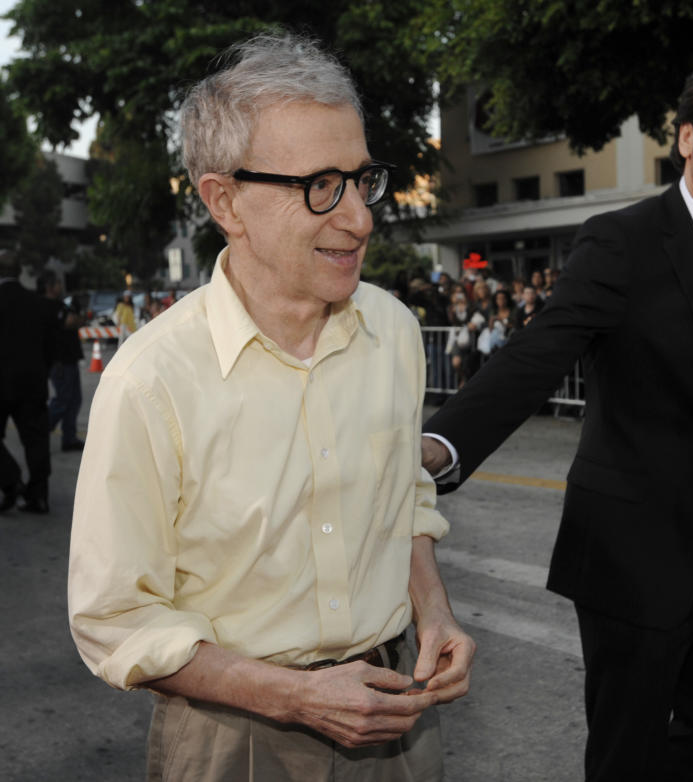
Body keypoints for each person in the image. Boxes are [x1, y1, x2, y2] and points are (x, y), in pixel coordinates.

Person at [67, 33, 473, 781]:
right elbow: (115, 619)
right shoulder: (151, 381)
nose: (359, 219)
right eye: (321, 185)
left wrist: (434, 611)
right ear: (225, 200)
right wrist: (295, 697)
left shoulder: (394, 334)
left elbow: (404, 502)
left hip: (397, 720)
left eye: (362, 179)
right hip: (235, 739)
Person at [422, 45, 693, 780]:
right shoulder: (622, 243)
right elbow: (537, 355)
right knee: (627, 760)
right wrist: (439, 447)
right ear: (687, 136)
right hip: (632, 559)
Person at [0, 251, 56, 514]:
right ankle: (39, 494)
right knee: (36, 439)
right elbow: (50, 347)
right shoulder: (37, 304)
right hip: (32, 383)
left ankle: (11, 481)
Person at [41, 271, 85, 452]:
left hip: (69, 359)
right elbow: (69, 322)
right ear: (50, 287)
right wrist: (77, 314)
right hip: (60, 361)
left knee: (74, 399)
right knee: (63, 400)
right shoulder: (49, 306)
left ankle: (69, 438)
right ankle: (43, 430)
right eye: (58, 284)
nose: (61, 287)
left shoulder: (59, 305)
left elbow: (76, 322)